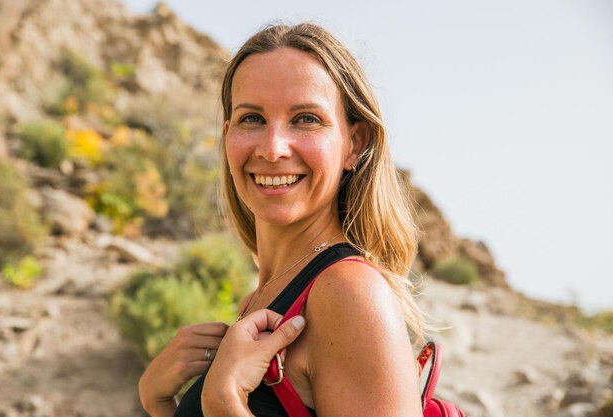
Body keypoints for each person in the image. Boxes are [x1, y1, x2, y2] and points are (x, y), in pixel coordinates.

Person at [138, 23, 426, 417]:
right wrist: (161, 406)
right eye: (251, 119)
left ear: (354, 144)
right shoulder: (263, 299)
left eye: (306, 119)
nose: (272, 149)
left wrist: (224, 403)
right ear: (227, 136)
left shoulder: (350, 294)